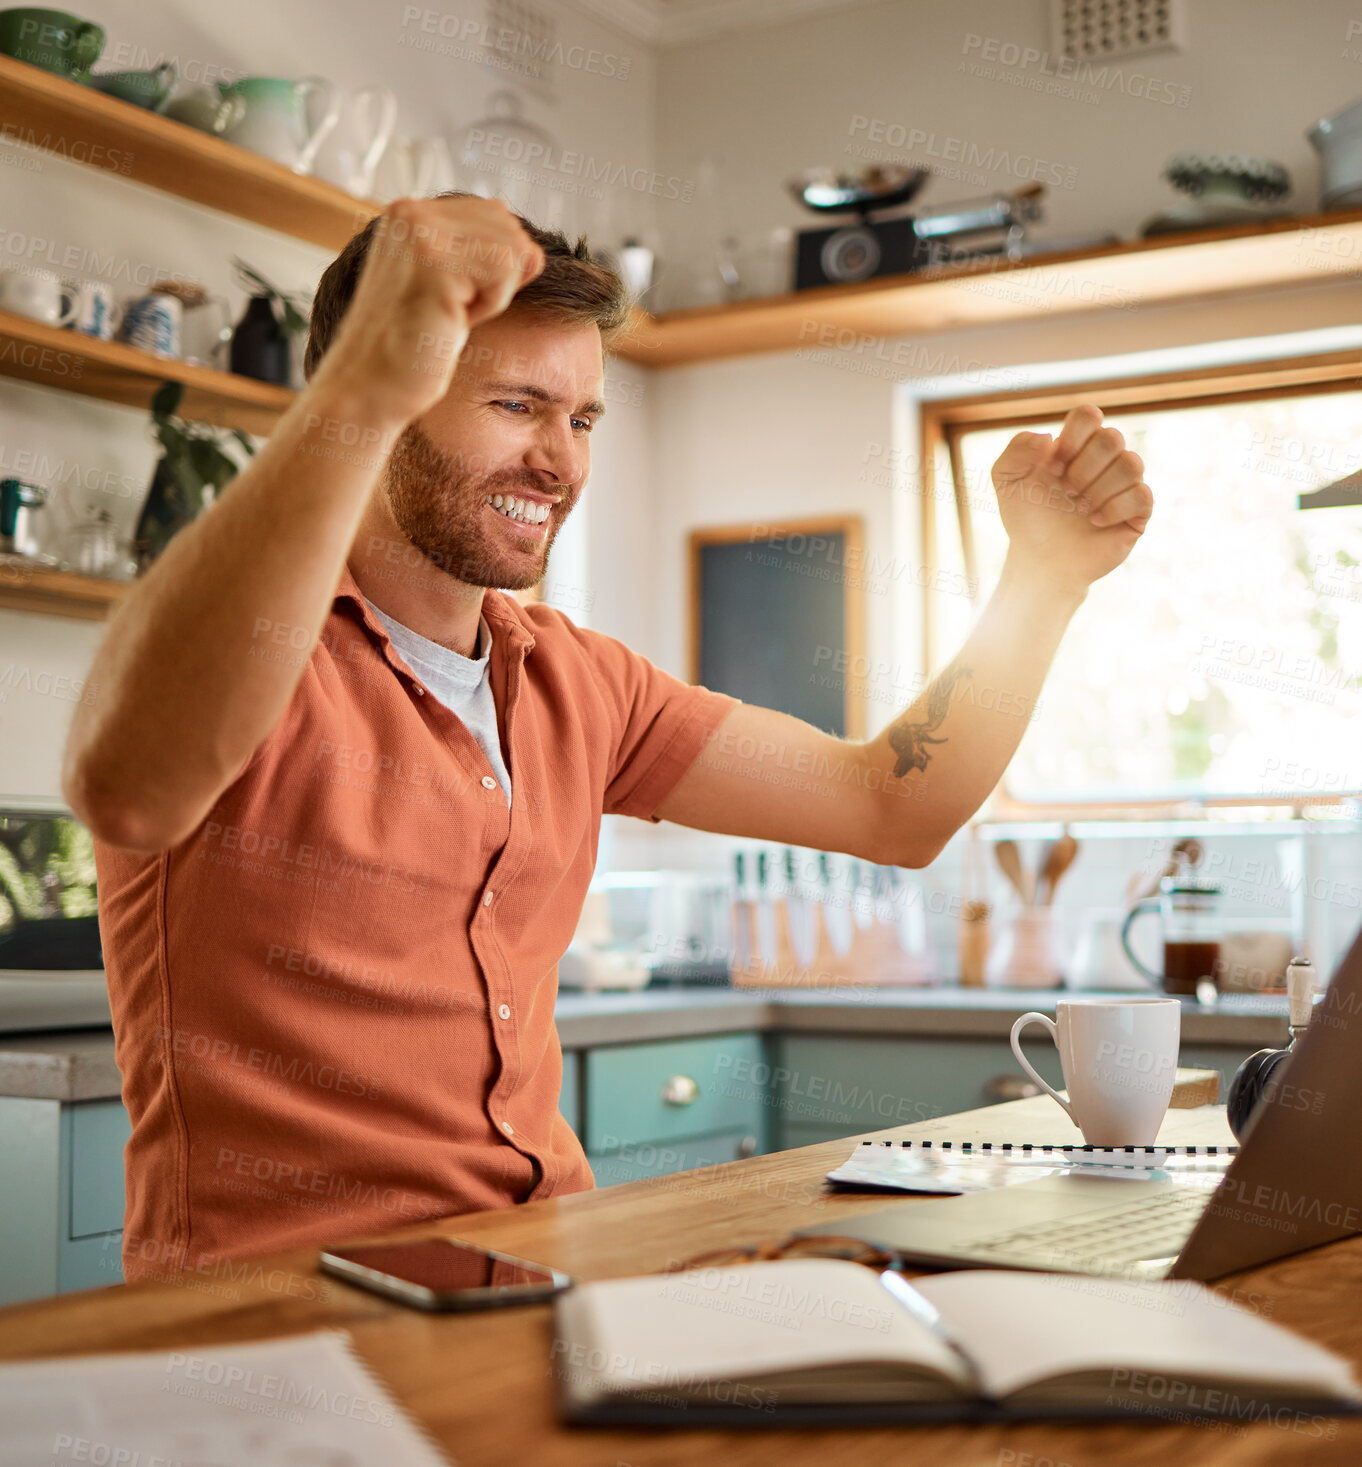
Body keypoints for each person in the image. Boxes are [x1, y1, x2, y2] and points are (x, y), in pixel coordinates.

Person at [63, 194, 1153, 1282]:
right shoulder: (256, 649)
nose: (559, 461)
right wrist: (362, 380)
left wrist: (1043, 578)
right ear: (382, 388)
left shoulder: (581, 683)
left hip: (545, 1282)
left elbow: (891, 804)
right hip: (287, 1323)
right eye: (516, 405)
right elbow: (129, 793)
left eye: (581, 420)